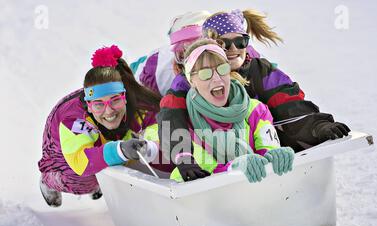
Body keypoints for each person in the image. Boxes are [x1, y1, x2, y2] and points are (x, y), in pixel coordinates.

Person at [158, 9, 350, 181]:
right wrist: (183, 157)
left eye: (240, 41)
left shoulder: (259, 70)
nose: (233, 49)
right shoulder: (189, 80)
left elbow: (288, 103)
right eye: (225, 43)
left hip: (266, 152)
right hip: (214, 160)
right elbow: (172, 117)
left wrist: (318, 126)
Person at [38, 45, 161, 207]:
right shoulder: (74, 120)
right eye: (98, 104)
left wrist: (150, 145)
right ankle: (49, 181)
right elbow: (80, 162)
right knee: (85, 178)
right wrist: (120, 150)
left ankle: (105, 171)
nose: (109, 110)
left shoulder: (136, 103)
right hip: (64, 150)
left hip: (104, 137)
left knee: (128, 157)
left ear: (124, 97)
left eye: (115, 100)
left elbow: (155, 124)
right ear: (88, 105)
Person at [170, 39, 294, 183]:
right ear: (192, 81)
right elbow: (193, 173)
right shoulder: (185, 123)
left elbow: (267, 149)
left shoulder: (256, 110)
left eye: (222, 69)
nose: (217, 79)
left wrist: (274, 156)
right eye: (205, 74)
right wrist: (232, 168)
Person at [130, 10, 261, 96]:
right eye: (183, 54)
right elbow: (133, 86)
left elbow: (268, 73)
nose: (193, 62)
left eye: (200, 52)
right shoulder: (157, 70)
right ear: (175, 57)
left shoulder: (238, 54)